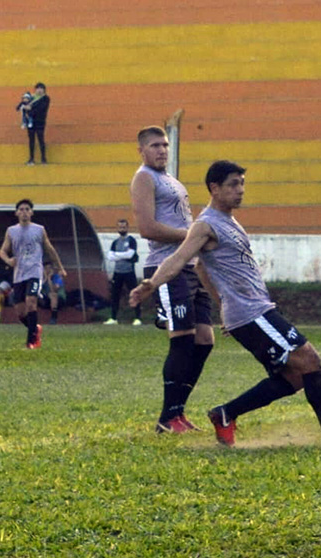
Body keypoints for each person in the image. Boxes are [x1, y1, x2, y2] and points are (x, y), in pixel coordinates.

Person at [130, 160, 321, 449]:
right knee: (310, 361)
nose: (240, 190)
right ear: (214, 188)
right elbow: (179, 259)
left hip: (253, 310)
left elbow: (202, 269)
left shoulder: (229, 221)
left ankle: (225, 414)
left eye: (242, 183)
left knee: (294, 377)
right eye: (233, 184)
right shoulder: (206, 224)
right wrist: (152, 284)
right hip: (251, 314)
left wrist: (222, 306)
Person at [129, 125, 214, 434]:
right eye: (154, 145)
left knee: (204, 340)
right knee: (182, 338)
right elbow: (148, 228)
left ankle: (177, 412)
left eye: (164, 144)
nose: (162, 150)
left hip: (191, 267)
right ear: (141, 150)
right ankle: (168, 417)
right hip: (166, 267)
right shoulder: (143, 178)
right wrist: (194, 236)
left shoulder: (171, 180)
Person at [0, 199, 67, 348]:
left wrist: (60, 267)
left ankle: (31, 342)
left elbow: (50, 249)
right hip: (19, 274)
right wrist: (9, 260)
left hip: (35, 272)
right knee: (20, 312)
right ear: (16, 213)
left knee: (31, 302)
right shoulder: (11, 231)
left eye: (27, 209)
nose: (24, 212)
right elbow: (2, 251)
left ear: (32, 212)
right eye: (21, 209)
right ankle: (35, 328)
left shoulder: (39, 229)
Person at [104, 218, 142, 326]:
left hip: (129, 272)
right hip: (117, 272)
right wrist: (122, 255)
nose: (122, 229)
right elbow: (110, 257)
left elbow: (130, 254)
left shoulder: (131, 240)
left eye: (124, 227)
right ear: (117, 228)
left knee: (134, 293)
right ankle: (113, 318)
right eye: (120, 227)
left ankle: (137, 318)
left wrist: (117, 255)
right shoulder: (115, 242)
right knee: (115, 295)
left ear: (127, 228)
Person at [24, 83, 49, 165]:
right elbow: (25, 107)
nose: (39, 90)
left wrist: (30, 110)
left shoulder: (46, 98)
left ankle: (43, 158)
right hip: (31, 122)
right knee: (31, 141)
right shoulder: (31, 98)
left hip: (40, 122)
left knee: (41, 139)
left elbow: (41, 109)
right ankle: (31, 159)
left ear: (44, 90)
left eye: (41, 88)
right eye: (38, 88)